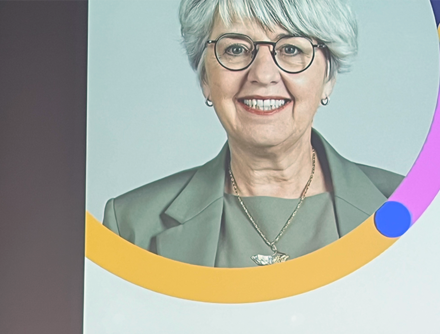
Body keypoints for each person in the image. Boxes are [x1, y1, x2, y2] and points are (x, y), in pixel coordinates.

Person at [103, 0, 402, 268]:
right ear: (205, 77)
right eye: (235, 49)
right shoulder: (131, 226)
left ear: (329, 78)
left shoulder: (407, 208)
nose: (262, 74)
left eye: (291, 49)